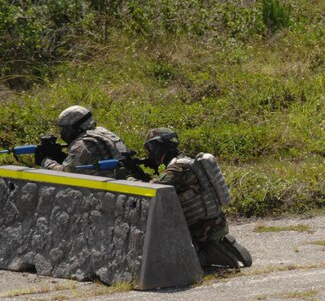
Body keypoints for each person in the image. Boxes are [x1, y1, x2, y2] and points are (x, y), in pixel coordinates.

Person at [143, 128, 253, 269]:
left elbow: (154, 190)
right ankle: (222, 242)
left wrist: (131, 178)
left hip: (199, 230)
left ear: (161, 146)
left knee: (170, 261)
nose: (151, 153)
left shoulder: (177, 168)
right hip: (217, 223)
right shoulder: (189, 161)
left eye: (151, 148)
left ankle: (205, 255)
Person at [37, 105, 130, 178]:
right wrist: (60, 157)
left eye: (65, 129)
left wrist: (44, 161)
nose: (62, 133)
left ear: (76, 128)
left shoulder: (82, 144)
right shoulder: (103, 133)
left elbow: (65, 175)